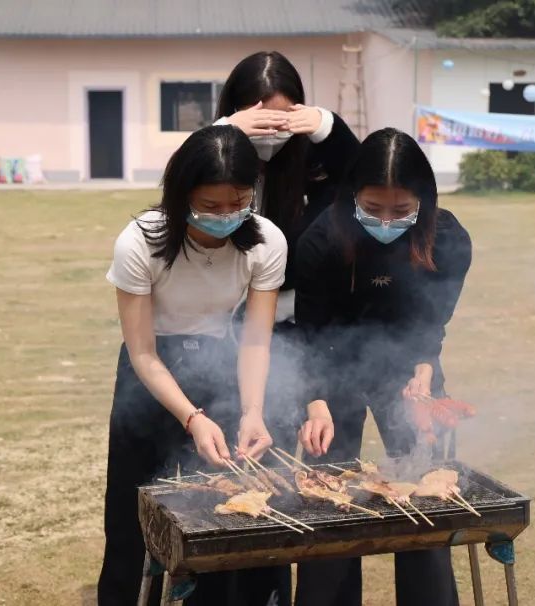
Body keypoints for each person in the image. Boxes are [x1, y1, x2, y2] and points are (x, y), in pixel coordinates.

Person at [97, 124, 287, 605]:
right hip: (151, 374)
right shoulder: (141, 241)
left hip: (220, 365)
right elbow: (142, 351)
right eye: (210, 204)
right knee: (135, 518)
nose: (225, 215)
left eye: (238, 202)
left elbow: (255, 342)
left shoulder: (266, 241)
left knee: (220, 512)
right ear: (182, 194)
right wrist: (192, 417)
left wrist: (251, 411)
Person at [292, 128, 472, 606]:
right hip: (330, 369)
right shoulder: (320, 242)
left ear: (424, 201)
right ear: (352, 197)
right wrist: (314, 401)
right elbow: (307, 332)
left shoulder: (448, 239)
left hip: (405, 368)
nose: (387, 221)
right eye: (372, 209)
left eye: (401, 211)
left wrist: (424, 366)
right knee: (330, 499)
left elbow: (433, 318)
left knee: (423, 495)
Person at [215, 49, 355, 465]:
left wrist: (327, 126)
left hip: (305, 326)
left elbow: (368, 178)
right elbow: (179, 181)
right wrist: (224, 132)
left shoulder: (314, 158)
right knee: (257, 459)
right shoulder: (219, 155)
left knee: (329, 462)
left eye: (283, 121)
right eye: (261, 121)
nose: (273, 133)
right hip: (236, 329)